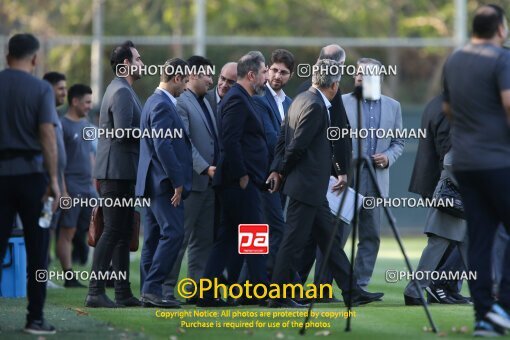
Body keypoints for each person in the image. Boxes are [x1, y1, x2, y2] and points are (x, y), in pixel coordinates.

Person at [267, 59, 383, 308]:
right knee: (292, 243)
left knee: (329, 240)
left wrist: (278, 169)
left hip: (312, 189)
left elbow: (282, 138)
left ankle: (352, 290)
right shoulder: (317, 106)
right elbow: (296, 147)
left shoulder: (300, 99)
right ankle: (277, 296)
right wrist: (282, 172)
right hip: (306, 187)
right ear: (334, 84)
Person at [442, 4, 510, 336]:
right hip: (498, 162)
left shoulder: (454, 60)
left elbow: (447, 107)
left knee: (479, 239)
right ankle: (504, 308)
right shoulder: (500, 58)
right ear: (500, 29)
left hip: (465, 163)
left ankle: (484, 315)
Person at [197, 51, 269, 307]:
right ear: (251, 75)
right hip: (238, 183)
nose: (266, 77)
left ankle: (206, 295)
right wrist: (242, 176)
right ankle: (264, 296)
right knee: (254, 235)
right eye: (263, 72)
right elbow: (230, 140)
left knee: (227, 239)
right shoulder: (237, 99)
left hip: (237, 182)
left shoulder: (242, 98)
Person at [0, 33, 61, 335]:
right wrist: (53, 180)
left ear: (7, 55)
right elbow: (48, 137)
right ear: (35, 59)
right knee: (37, 251)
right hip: (32, 177)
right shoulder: (40, 89)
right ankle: (35, 318)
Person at [85, 40, 143, 308]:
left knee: (121, 230)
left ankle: (122, 292)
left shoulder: (121, 89)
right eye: (138, 59)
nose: (143, 64)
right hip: (115, 173)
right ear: (126, 64)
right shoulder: (121, 91)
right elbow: (122, 132)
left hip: (119, 171)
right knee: (113, 230)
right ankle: (95, 292)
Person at [342, 58, 404, 289]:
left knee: (370, 236)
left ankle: (360, 285)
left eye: (364, 73)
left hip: (376, 180)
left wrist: (388, 156)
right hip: (346, 180)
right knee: (337, 237)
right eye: (357, 73)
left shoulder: (393, 106)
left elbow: (398, 142)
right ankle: (325, 286)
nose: (358, 76)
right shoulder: (340, 102)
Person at [136, 58, 192, 308]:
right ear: (177, 78)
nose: (187, 85)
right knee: (173, 233)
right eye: (186, 79)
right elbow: (163, 145)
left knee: (153, 237)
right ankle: (152, 289)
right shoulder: (161, 104)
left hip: (151, 182)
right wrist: (177, 181)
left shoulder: (152, 101)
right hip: (163, 183)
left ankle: (148, 291)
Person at [403, 94, 469, 305]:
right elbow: (451, 161)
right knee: (440, 246)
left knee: (448, 245)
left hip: (451, 194)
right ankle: (414, 291)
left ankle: (414, 291)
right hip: (454, 194)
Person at [296, 45, 351, 296]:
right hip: (313, 181)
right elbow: (334, 136)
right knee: (294, 240)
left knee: (325, 238)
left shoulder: (304, 94)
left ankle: (346, 290)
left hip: (315, 180)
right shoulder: (319, 98)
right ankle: (283, 289)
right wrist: (340, 171)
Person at [163, 55, 217, 303]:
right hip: (192, 183)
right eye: (207, 74)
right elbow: (185, 143)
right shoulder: (181, 102)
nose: (211, 79)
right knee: (180, 239)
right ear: (193, 75)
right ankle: (164, 290)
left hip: (208, 186)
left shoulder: (205, 102)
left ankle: (196, 292)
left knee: (203, 241)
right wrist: (205, 168)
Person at [253, 49, 294, 277]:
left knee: (269, 232)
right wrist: (276, 169)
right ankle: (264, 283)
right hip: (264, 176)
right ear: (267, 70)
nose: (278, 76)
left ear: (290, 75)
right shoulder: (259, 98)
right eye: (275, 70)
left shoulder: (290, 103)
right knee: (269, 230)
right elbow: (271, 139)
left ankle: (255, 285)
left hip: (283, 177)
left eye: (284, 72)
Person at [57, 84, 95, 288]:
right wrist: (63, 191)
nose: (90, 106)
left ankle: (104, 273)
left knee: (99, 226)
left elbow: (90, 155)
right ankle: (68, 276)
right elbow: (58, 161)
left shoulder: (87, 125)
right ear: (75, 101)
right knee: (67, 232)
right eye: (87, 102)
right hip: (71, 187)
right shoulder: (62, 125)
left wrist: (94, 182)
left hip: (89, 188)